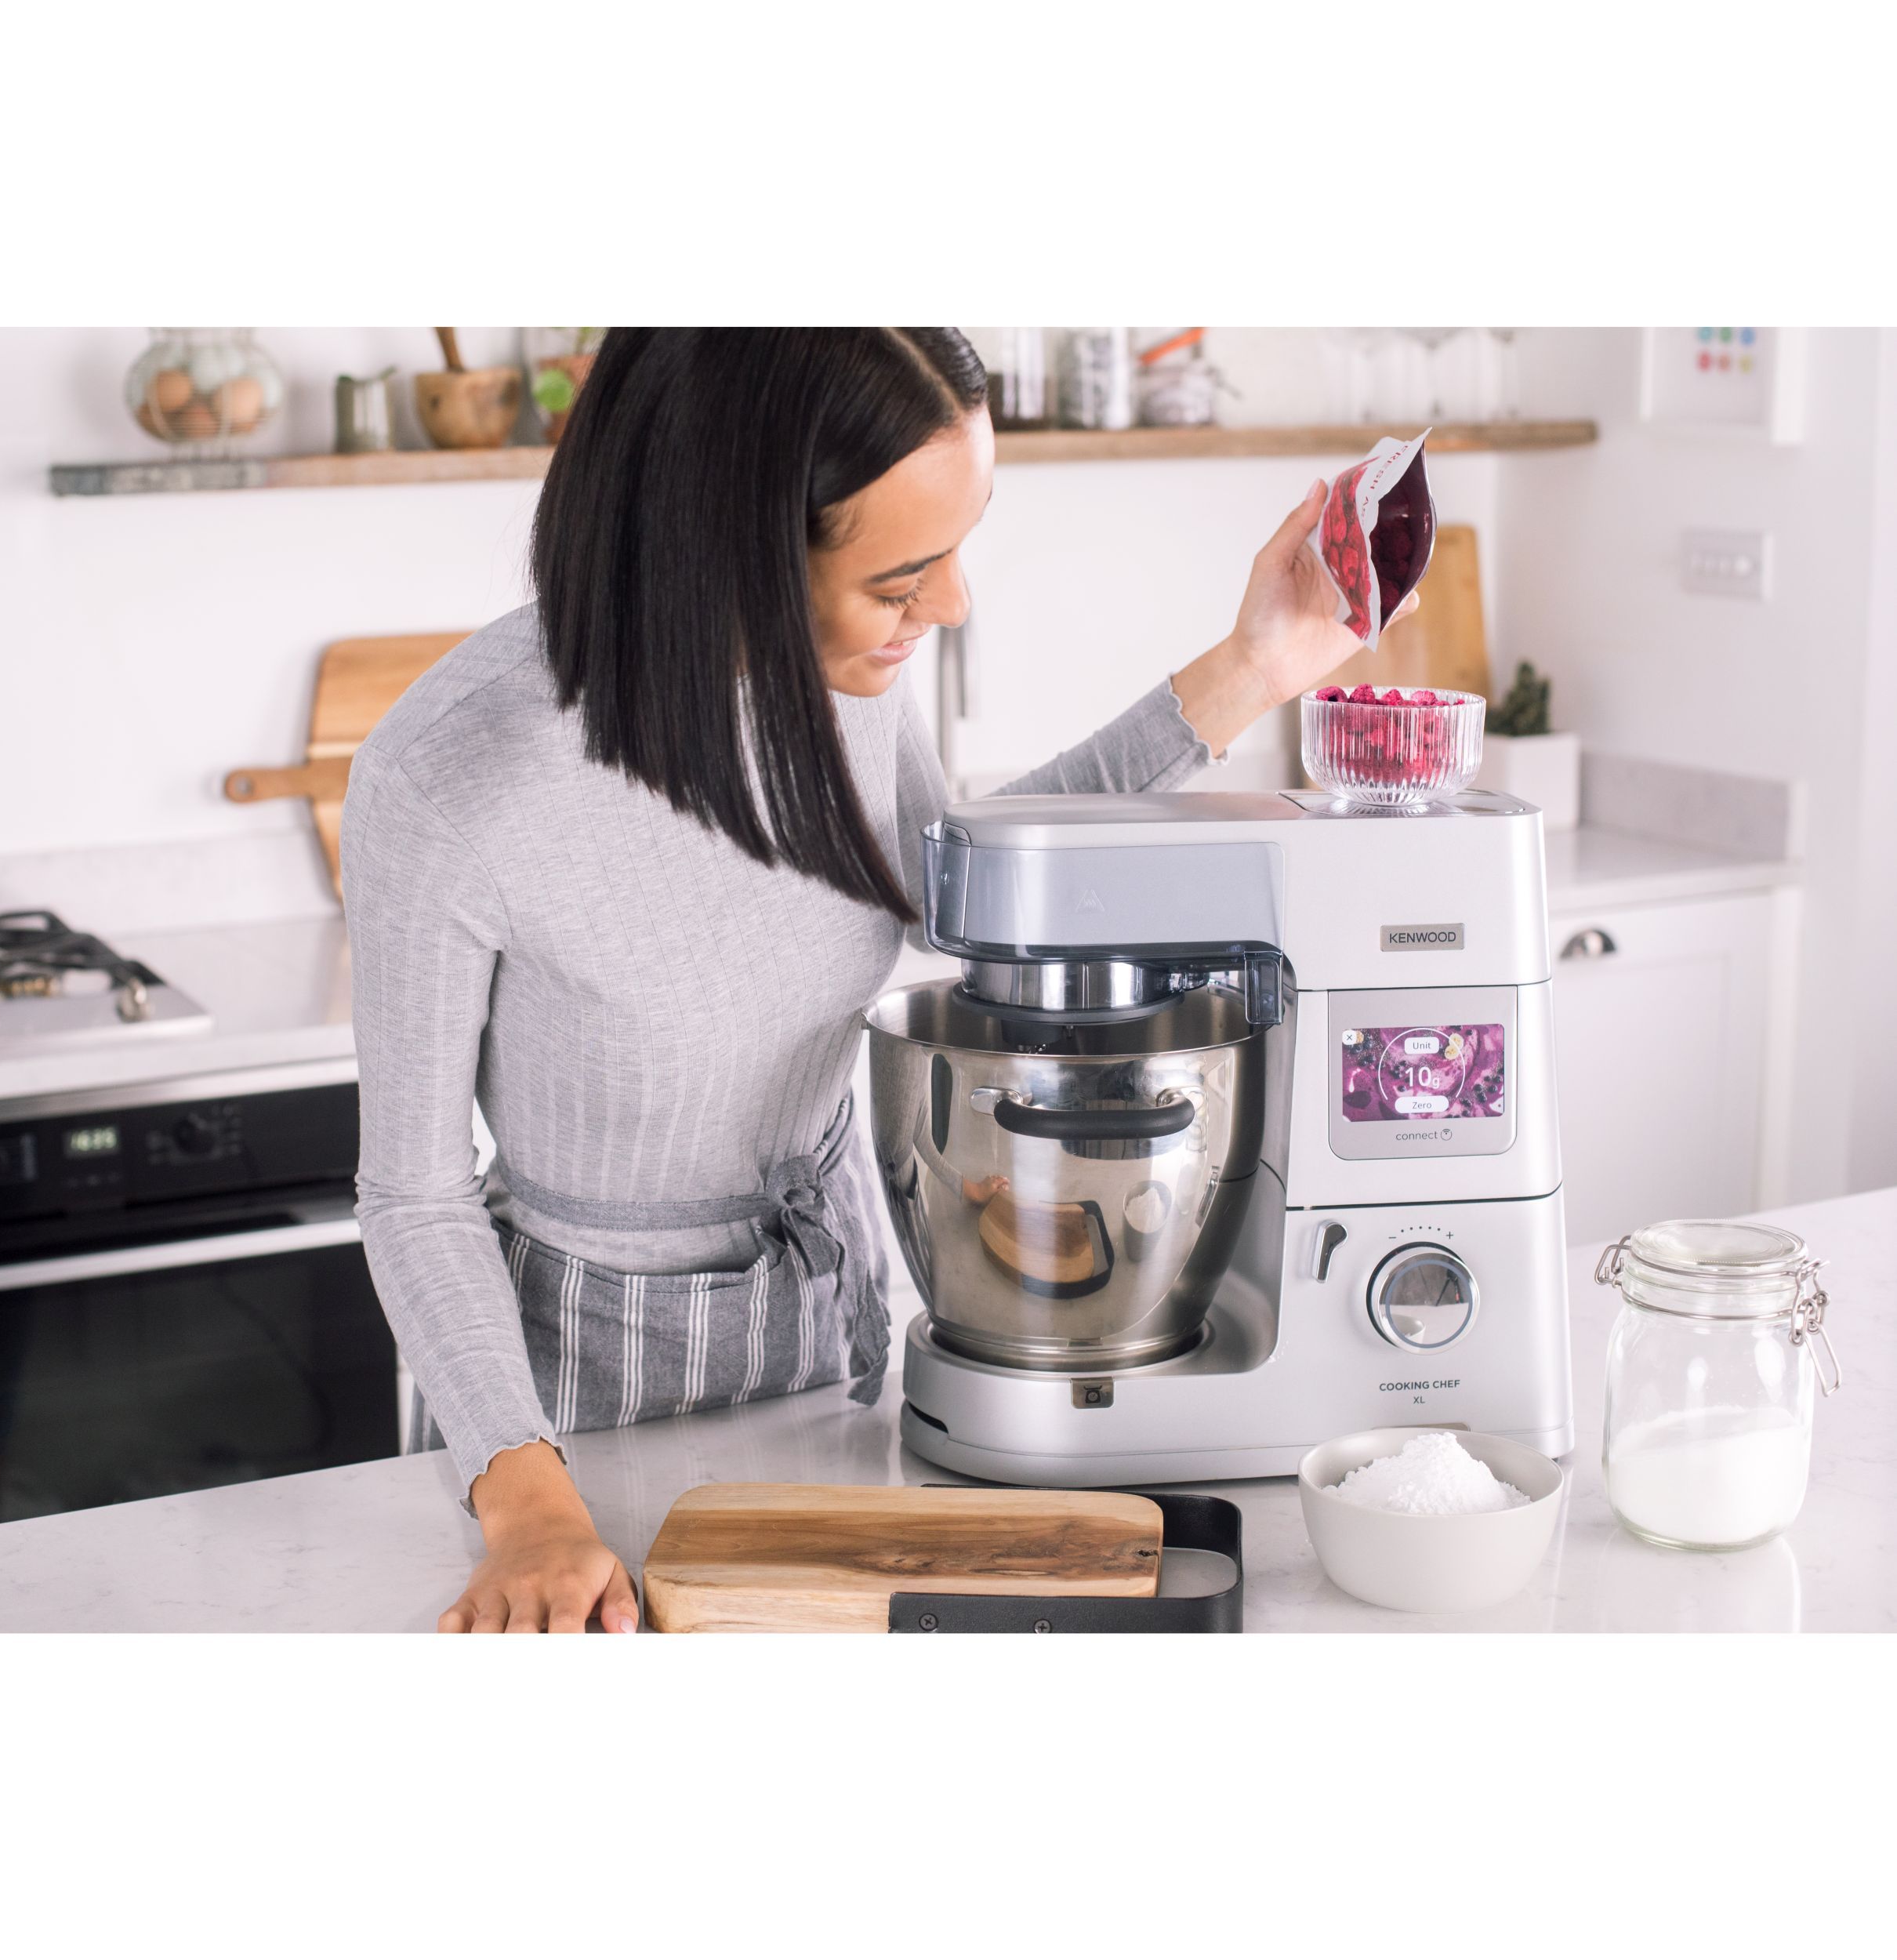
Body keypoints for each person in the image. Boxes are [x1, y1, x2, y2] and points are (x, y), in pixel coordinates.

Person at [341, 327, 1404, 1633]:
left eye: (956, 549)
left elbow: (959, 889)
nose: (949, 605)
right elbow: (413, 1194)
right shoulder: (449, 778)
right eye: (903, 576)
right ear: (728, 549)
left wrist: (1255, 665)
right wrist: (532, 1513)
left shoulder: (839, 666)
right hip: (568, 1416)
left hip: (831, 1322)